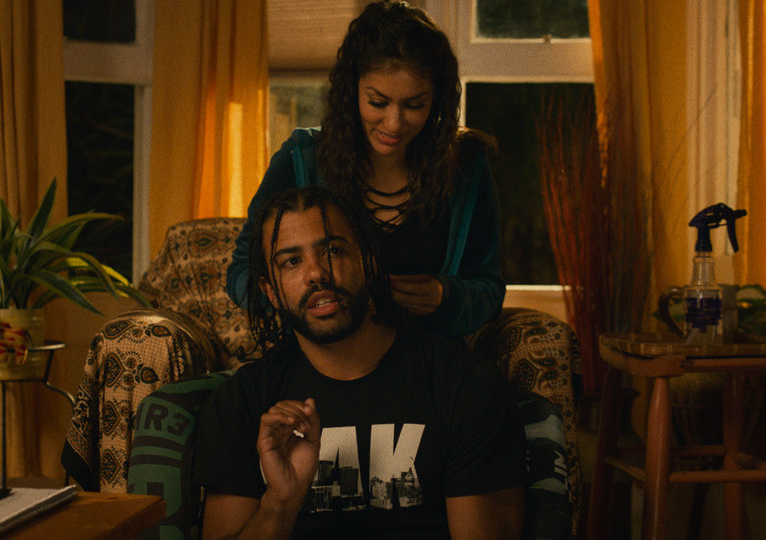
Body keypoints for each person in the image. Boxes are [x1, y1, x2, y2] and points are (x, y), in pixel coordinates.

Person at [194, 187, 525, 539]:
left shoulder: (465, 386)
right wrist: (280, 501)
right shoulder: (242, 404)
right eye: (292, 261)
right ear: (271, 292)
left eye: (333, 251)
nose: (317, 274)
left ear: (370, 262)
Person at [227, 0, 504, 339]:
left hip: (427, 364)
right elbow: (242, 272)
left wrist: (445, 296)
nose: (394, 122)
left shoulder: (466, 166)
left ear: (438, 100)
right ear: (351, 90)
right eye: (378, 102)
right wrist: (302, 299)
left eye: (415, 105)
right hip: (324, 363)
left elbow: (489, 288)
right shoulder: (301, 160)